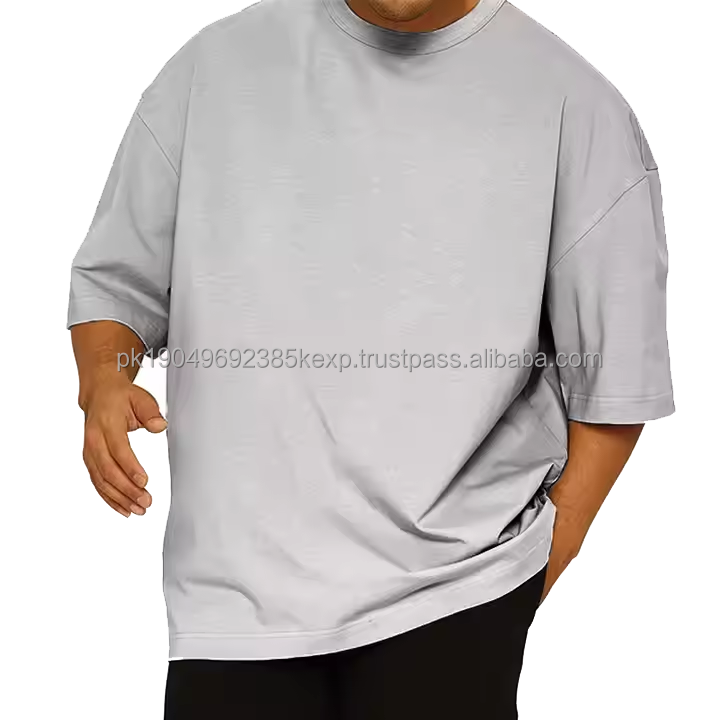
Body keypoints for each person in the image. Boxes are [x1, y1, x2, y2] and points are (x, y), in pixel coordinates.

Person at [67, 0, 674, 717]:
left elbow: (616, 382)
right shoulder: (212, 71)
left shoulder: (578, 108)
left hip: (453, 597)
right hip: (230, 609)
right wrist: (104, 380)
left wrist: (526, 582)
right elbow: (118, 281)